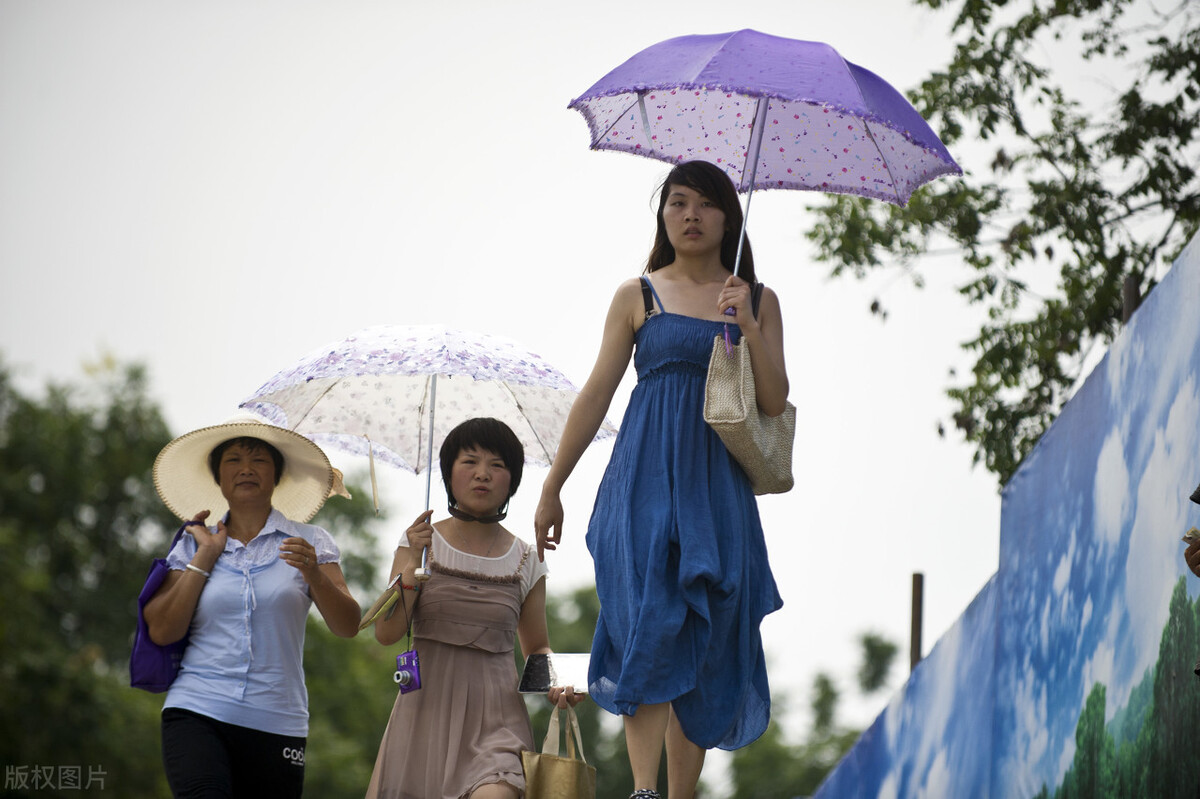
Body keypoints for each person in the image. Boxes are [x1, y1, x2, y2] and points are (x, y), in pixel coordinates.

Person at [534, 159, 787, 799]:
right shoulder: (637, 294)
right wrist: (552, 485)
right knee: (649, 620)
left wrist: (747, 326)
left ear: (728, 217)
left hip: (717, 488)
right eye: (677, 203)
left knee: (707, 632)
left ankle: (681, 793)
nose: (691, 215)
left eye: (705, 204)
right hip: (642, 478)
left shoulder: (757, 298)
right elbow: (596, 394)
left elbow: (775, 400)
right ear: (663, 216)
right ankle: (643, 789)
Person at [143, 414, 361, 798]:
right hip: (197, 708)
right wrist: (203, 559)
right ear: (218, 477)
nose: (246, 469)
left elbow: (347, 625)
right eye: (234, 460)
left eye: (259, 460)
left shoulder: (310, 541)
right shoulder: (193, 542)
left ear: (276, 475)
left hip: (278, 720)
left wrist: (314, 573)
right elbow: (162, 630)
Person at [366, 417, 580, 799]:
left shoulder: (527, 558)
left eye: (497, 465)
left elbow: (536, 648)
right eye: (470, 462)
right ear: (449, 473)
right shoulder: (419, 544)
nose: (483, 474)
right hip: (423, 715)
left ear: (511, 480)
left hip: (497, 720)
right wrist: (413, 562)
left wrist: (558, 681)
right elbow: (387, 633)